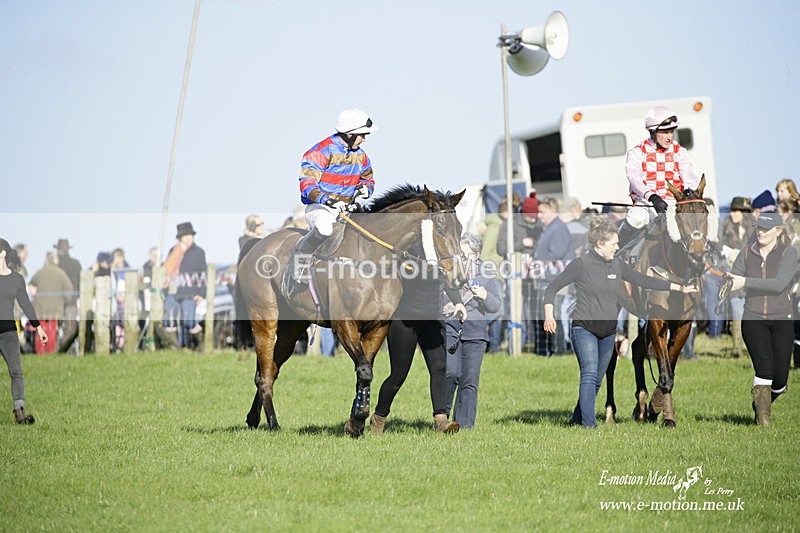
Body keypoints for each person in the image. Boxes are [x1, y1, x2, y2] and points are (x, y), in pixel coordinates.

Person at [543, 219, 697, 428]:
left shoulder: (617, 264)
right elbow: (552, 288)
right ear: (600, 243)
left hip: (608, 332)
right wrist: (549, 315)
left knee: (597, 379)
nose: (617, 247)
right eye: (614, 243)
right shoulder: (581, 264)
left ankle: (576, 418)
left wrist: (679, 288)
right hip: (584, 328)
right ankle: (589, 425)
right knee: (589, 374)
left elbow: (645, 281)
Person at [370, 242, 466, 435]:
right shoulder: (408, 250)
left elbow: (448, 280)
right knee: (398, 376)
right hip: (405, 322)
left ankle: (441, 421)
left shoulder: (441, 251)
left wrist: (458, 302)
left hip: (433, 319)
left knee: (439, 369)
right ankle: (379, 417)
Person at [292, 108, 378, 283]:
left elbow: (368, 179)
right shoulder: (318, 152)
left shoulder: (362, 156)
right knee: (325, 227)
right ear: (350, 135)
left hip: (347, 209)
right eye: (362, 135)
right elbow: (307, 185)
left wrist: (365, 189)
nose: (364, 139)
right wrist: (329, 201)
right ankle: (299, 261)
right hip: (320, 207)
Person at [729, 212, 798, 427]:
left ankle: (760, 404)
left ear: (778, 231)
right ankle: (763, 420)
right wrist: (728, 283)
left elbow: (779, 284)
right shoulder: (746, 252)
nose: (761, 232)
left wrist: (745, 281)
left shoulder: (789, 252)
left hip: (782, 318)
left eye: (766, 229)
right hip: (753, 317)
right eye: (758, 228)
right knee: (765, 369)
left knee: (780, 381)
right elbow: (734, 279)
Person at [620, 105, 703, 246]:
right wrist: (652, 196)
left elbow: (689, 177)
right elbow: (634, 179)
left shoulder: (680, 152)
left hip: (674, 205)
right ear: (653, 131)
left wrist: (688, 192)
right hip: (647, 204)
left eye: (671, 132)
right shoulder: (637, 152)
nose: (669, 137)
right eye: (665, 132)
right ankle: (617, 249)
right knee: (635, 218)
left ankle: (711, 252)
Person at [444, 233, 501, 429]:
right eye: (460, 253)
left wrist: (485, 295)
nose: (462, 257)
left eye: (466, 254)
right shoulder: (449, 271)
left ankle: (464, 424)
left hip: (476, 332)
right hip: (451, 327)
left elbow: (496, 306)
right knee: (450, 373)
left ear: (477, 255)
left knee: (469, 379)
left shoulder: (486, 274)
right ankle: (442, 418)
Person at [0, 239, 48, 423]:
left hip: (8, 333)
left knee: (16, 371)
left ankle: (19, 411)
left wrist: (38, 327)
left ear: (3, 253)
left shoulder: (16, 279)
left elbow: (25, 304)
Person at [530, 197, 575, 355]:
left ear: (552, 210)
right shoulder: (550, 228)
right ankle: (550, 350)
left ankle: (559, 350)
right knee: (549, 315)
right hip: (548, 278)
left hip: (556, 279)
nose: (539, 215)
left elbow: (555, 254)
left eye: (542, 212)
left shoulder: (558, 228)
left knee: (554, 315)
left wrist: (536, 263)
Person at [720, 197, 754, 358]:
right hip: (732, 274)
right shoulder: (726, 225)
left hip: (750, 276)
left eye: (736, 210)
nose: (733, 213)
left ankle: (750, 346)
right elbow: (719, 247)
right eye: (732, 210)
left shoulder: (752, 228)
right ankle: (736, 349)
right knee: (736, 312)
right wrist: (727, 254)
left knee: (748, 314)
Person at [164, 222, 207, 347]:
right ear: (180, 238)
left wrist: (201, 293)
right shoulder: (173, 251)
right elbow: (167, 270)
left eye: (190, 235)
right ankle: (178, 346)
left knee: (188, 320)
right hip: (173, 291)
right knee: (172, 320)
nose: (189, 238)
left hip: (190, 292)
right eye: (186, 235)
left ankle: (190, 346)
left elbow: (203, 274)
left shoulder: (199, 252)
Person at [28, 252, 73, 355]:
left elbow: (31, 286)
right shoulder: (61, 274)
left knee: (40, 329)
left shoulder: (40, 272)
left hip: (40, 308)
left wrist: (34, 297)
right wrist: (65, 301)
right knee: (51, 330)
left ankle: (40, 353)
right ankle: (50, 352)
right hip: (55, 309)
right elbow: (69, 290)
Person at [53, 238, 82, 353]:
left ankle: (55, 350)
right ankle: (67, 350)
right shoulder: (75, 263)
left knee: (54, 327)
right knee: (69, 327)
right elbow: (81, 281)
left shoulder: (54, 265)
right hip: (72, 300)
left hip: (56, 301)